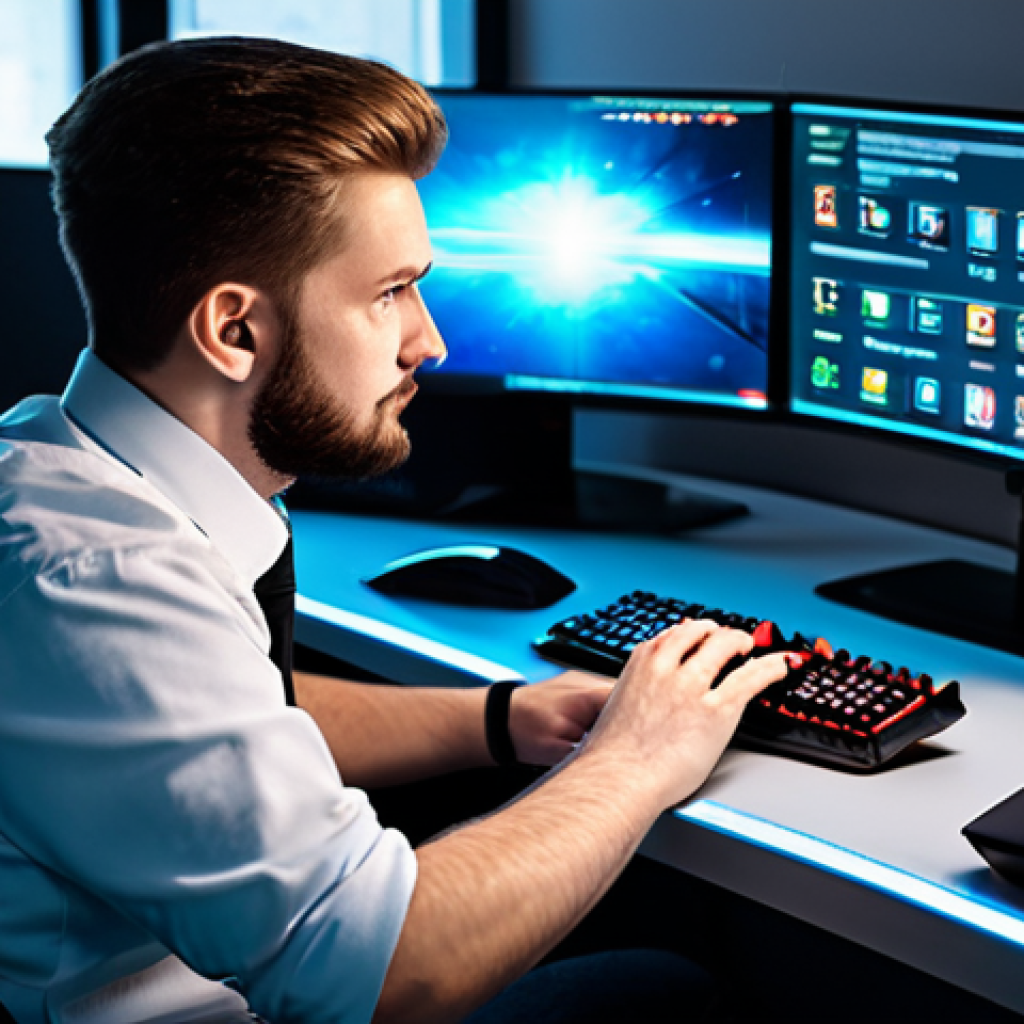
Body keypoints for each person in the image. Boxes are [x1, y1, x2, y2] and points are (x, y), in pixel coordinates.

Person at [0, 37, 790, 1024]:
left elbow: (228, 723)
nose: (431, 341)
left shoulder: (65, 466)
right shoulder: (98, 577)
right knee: (669, 991)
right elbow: (384, 972)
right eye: (389, 292)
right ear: (234, 330)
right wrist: (638, 756)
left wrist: (501, 717)